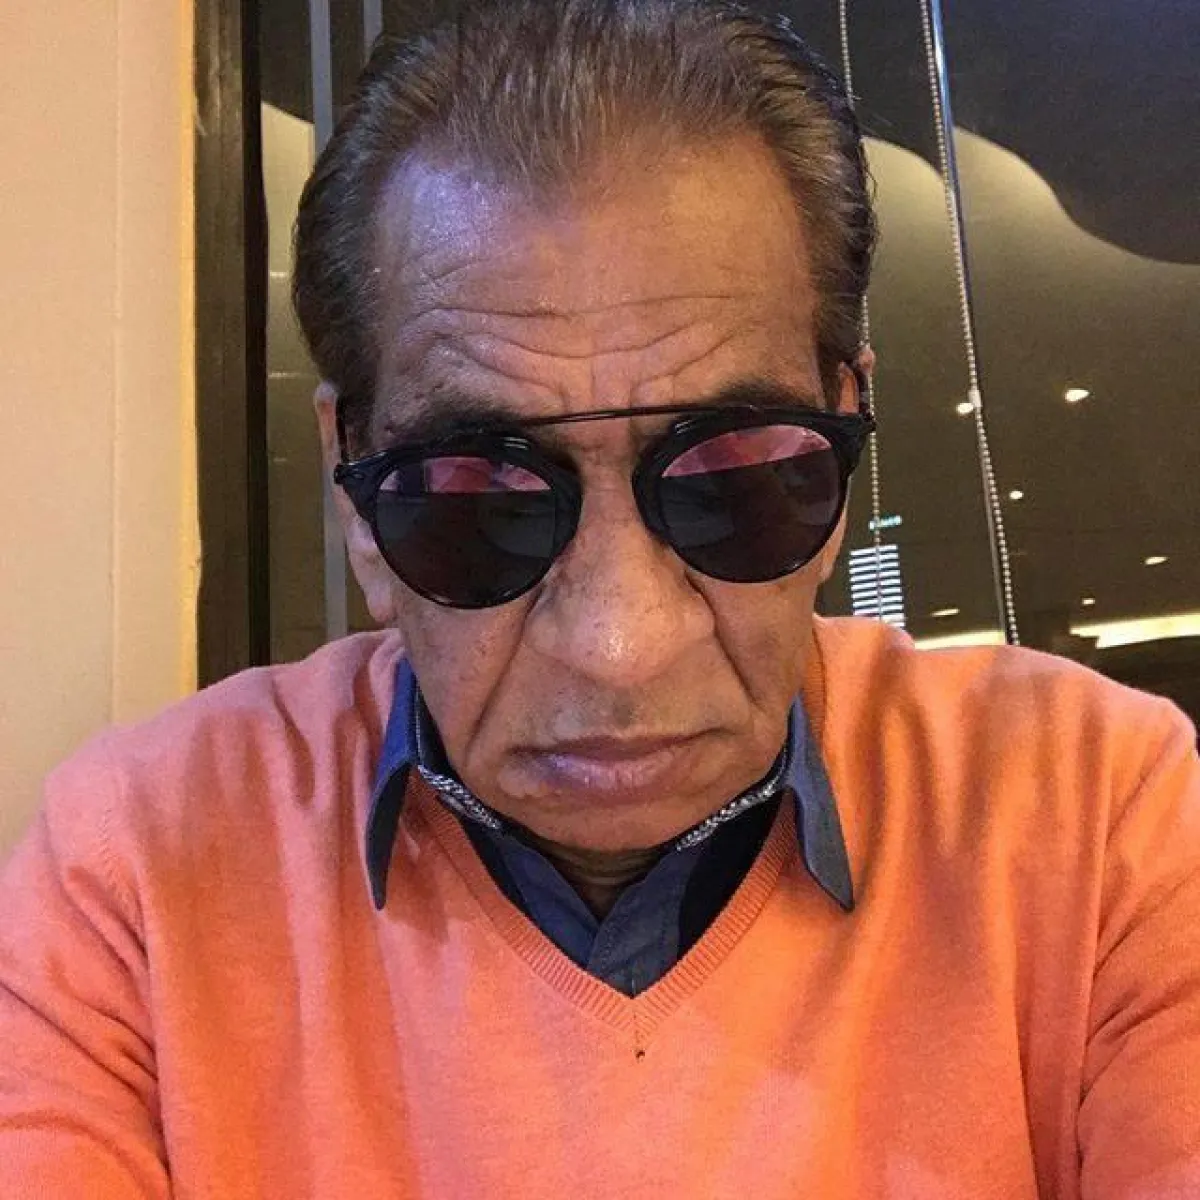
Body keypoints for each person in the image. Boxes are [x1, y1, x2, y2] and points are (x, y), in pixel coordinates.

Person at [2, 1, 1198, 1195]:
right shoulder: (137, 875)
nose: (622, 645)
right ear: (351, 494)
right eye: (478, 499)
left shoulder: (1099, 820)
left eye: (737, 481)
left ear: (844, 437)